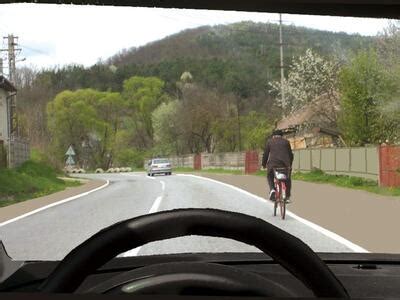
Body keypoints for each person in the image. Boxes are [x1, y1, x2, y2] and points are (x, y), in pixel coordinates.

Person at [262, 129, 294, 202]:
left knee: (269, 176)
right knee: (287, 179)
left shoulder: (269, 142)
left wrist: (264, 164)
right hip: (285, 165)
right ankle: (287, 196)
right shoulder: (286, 142)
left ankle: (272, 190)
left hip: (273, 164)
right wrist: (290, 165)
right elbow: (290, 155)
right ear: (282, 136)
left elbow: (266, 154)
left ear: (273, 136)